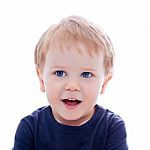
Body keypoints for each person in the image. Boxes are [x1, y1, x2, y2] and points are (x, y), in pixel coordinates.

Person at [13, 15, 128, 150]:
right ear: (41, 79)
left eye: (86, 74)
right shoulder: (30, 128)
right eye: (60, 73)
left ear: (104, 83)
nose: (72, 86)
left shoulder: (111, 128)